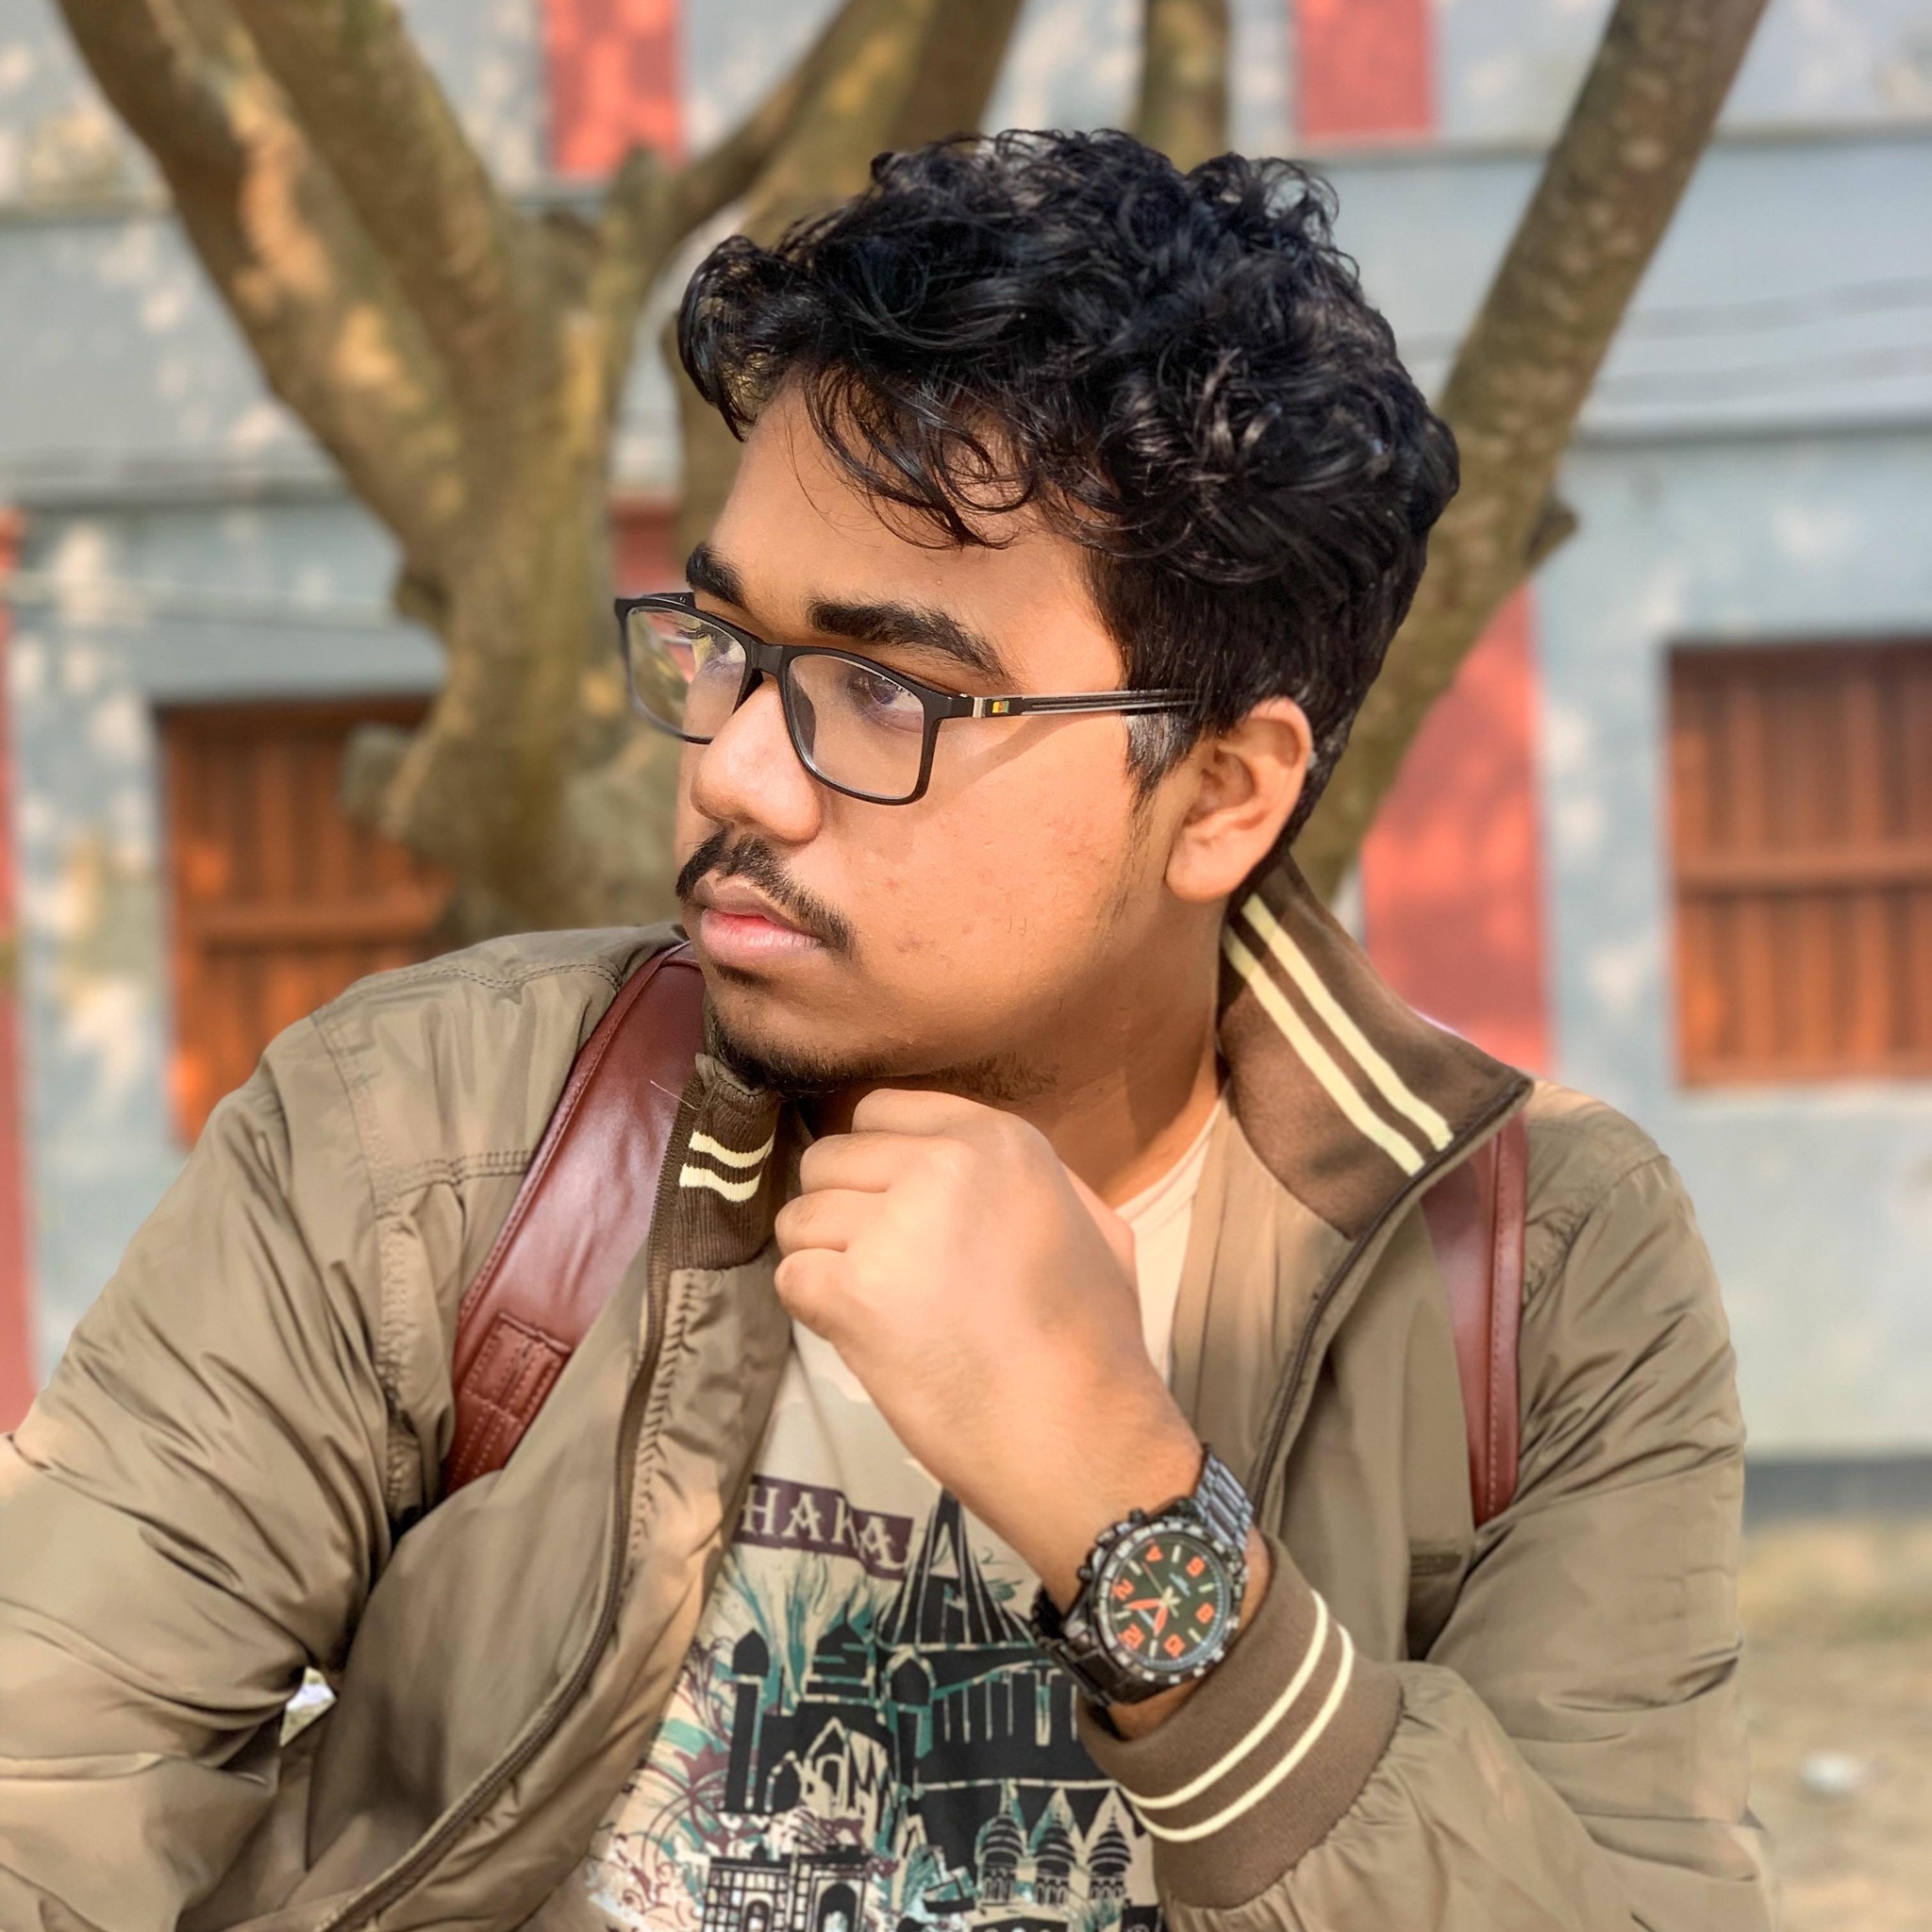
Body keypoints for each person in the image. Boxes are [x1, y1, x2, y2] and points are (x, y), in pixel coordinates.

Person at [0, 131, 1772, 1932]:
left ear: (1224, 794)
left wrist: (1138, 1515)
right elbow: (39, 1792)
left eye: (885, 688)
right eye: (725, 642)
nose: (735, 770)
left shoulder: (1533, 1270)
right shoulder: (431, 1138)